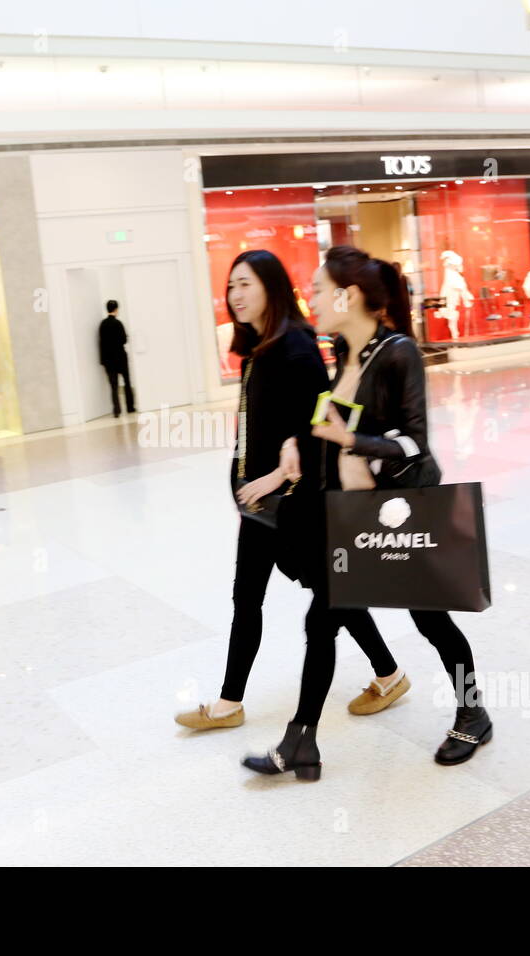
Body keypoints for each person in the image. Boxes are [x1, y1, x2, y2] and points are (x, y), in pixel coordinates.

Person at [242, 245, 492, 780]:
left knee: (433, 622)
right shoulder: (339, 349)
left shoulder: (399, 352)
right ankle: (300, 741)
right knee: (321, 622)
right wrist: (299, 447)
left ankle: (473, 712)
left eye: (316, 288)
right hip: (352, 518)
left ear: (347, 295)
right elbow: (329, 418)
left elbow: (414, 443)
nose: (309, 298)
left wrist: (353, 439)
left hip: (402, 513)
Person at [175, 250, 406, 731]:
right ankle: (228, 703)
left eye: (245, 284)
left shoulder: (295, 346)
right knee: (250, 595)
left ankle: (388, 674)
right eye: (231, 286)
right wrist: (243, 479)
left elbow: (317, 426)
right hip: (260, 504)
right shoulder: (259, 348)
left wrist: (274, 478)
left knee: (332, 594)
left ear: (271, 287)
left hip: (295, 504)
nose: (235, 295)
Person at [98, 300, 135, 417]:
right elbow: (124, 340)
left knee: (113, 386)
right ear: (116, 309)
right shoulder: (118, 324)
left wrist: (103, 361)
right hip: (120, 358)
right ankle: (130, 407)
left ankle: (117, 410)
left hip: (109, 361)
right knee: (127, 383)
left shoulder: (102, 324)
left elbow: (101, 343)